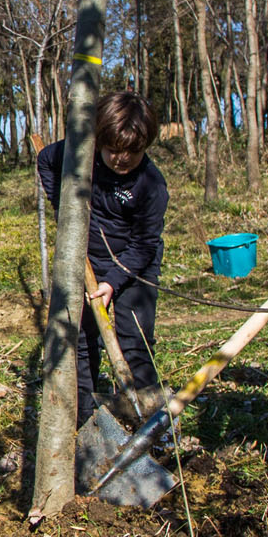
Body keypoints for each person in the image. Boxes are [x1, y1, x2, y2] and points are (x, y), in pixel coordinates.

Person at [34, 90, 168, 424]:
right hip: (84, 261)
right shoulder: (81, 152)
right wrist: (64, 209)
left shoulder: (151, 185)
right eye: (113, 151)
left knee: (134, 342)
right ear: (99, 141)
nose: (122, 159)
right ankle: (86, 421)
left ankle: (151, 424)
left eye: (132, 153)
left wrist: (113, 282)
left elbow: (144, 244)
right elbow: (46, 160)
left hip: (133, 267)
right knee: (80, 340)